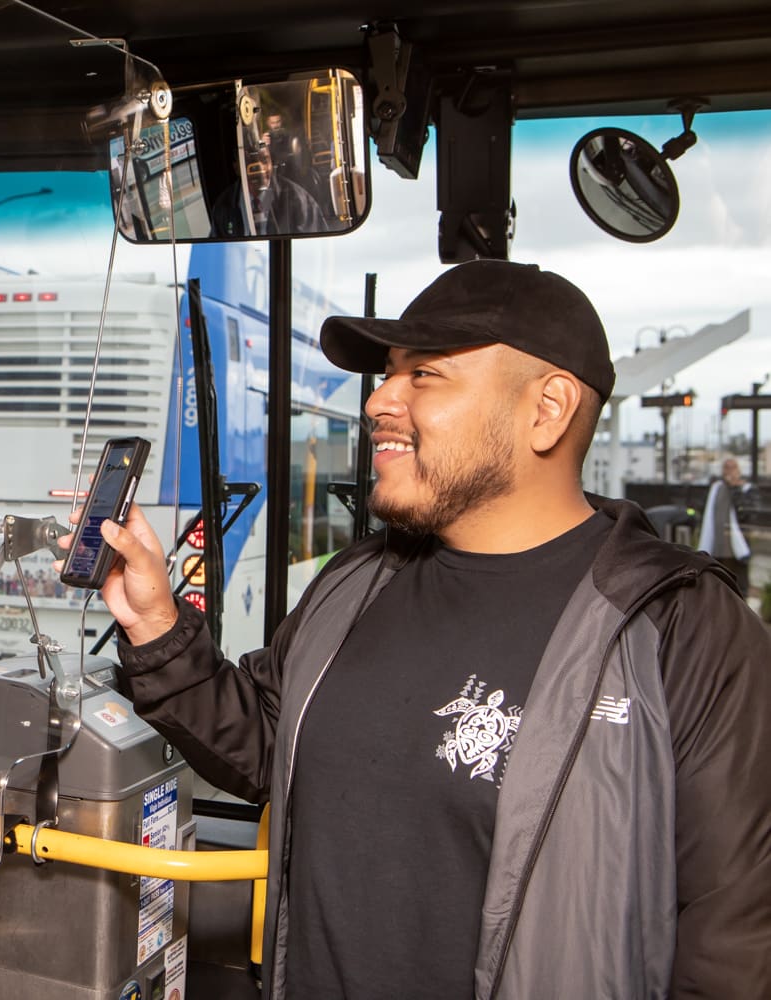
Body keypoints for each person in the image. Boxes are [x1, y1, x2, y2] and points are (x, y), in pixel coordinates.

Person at [66, 260, 771, 998]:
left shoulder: (680, 631)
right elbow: (263, 742)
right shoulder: (357, 583)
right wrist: (155, 623)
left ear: (548, 409)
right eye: (387, 374)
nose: (379, 402)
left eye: (423, 375)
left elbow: (736, 946)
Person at [700, 456, 754, 595]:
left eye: (733, 467)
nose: (729, 471)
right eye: (726, 467)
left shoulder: (746, 489)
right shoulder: (716, 489)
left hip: (737, 548)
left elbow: (747, 514)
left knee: (739, 586)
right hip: (718, 547)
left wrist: (735, 488)